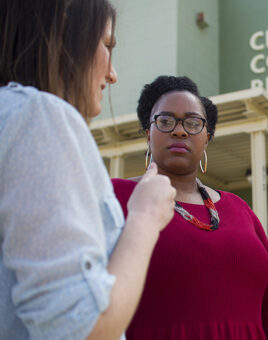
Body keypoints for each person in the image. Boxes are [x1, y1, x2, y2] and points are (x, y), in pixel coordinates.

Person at [0, 1, 176, 339]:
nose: (112, 74)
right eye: (107, 45)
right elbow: (82, 329)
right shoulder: (38, 117)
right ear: (64, 29)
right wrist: (145, 216)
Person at [111, 75, 268, 340]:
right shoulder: (116, 196)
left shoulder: (240, 209)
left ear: (207, 137)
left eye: (193, 123)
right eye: (165, 121)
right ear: (148, 133)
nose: (180, 130)